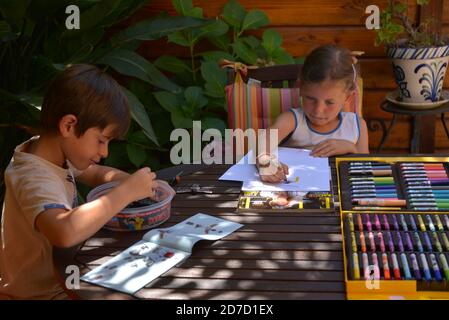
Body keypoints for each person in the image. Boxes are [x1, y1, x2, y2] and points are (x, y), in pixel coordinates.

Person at [0, 64, 169, 299]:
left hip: (64, 281)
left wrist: (126, 180)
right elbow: (63, 231)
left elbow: (96, 173)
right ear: (69, 125)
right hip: (40, 295)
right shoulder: (33, 177)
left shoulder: (51, 151)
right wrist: (126, 192)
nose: (105, 151)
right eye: (101, 140)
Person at [256, 44, 369, 183]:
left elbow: (365, 169)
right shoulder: (293, 120)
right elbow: (264, 141)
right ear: (301, 88)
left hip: (341, 199)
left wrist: (351, 148)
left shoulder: (357, 126)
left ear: (347, 97)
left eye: (329, 102)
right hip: (293, 194)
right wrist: (265, 161)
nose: (318, 110)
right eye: (311, 99)